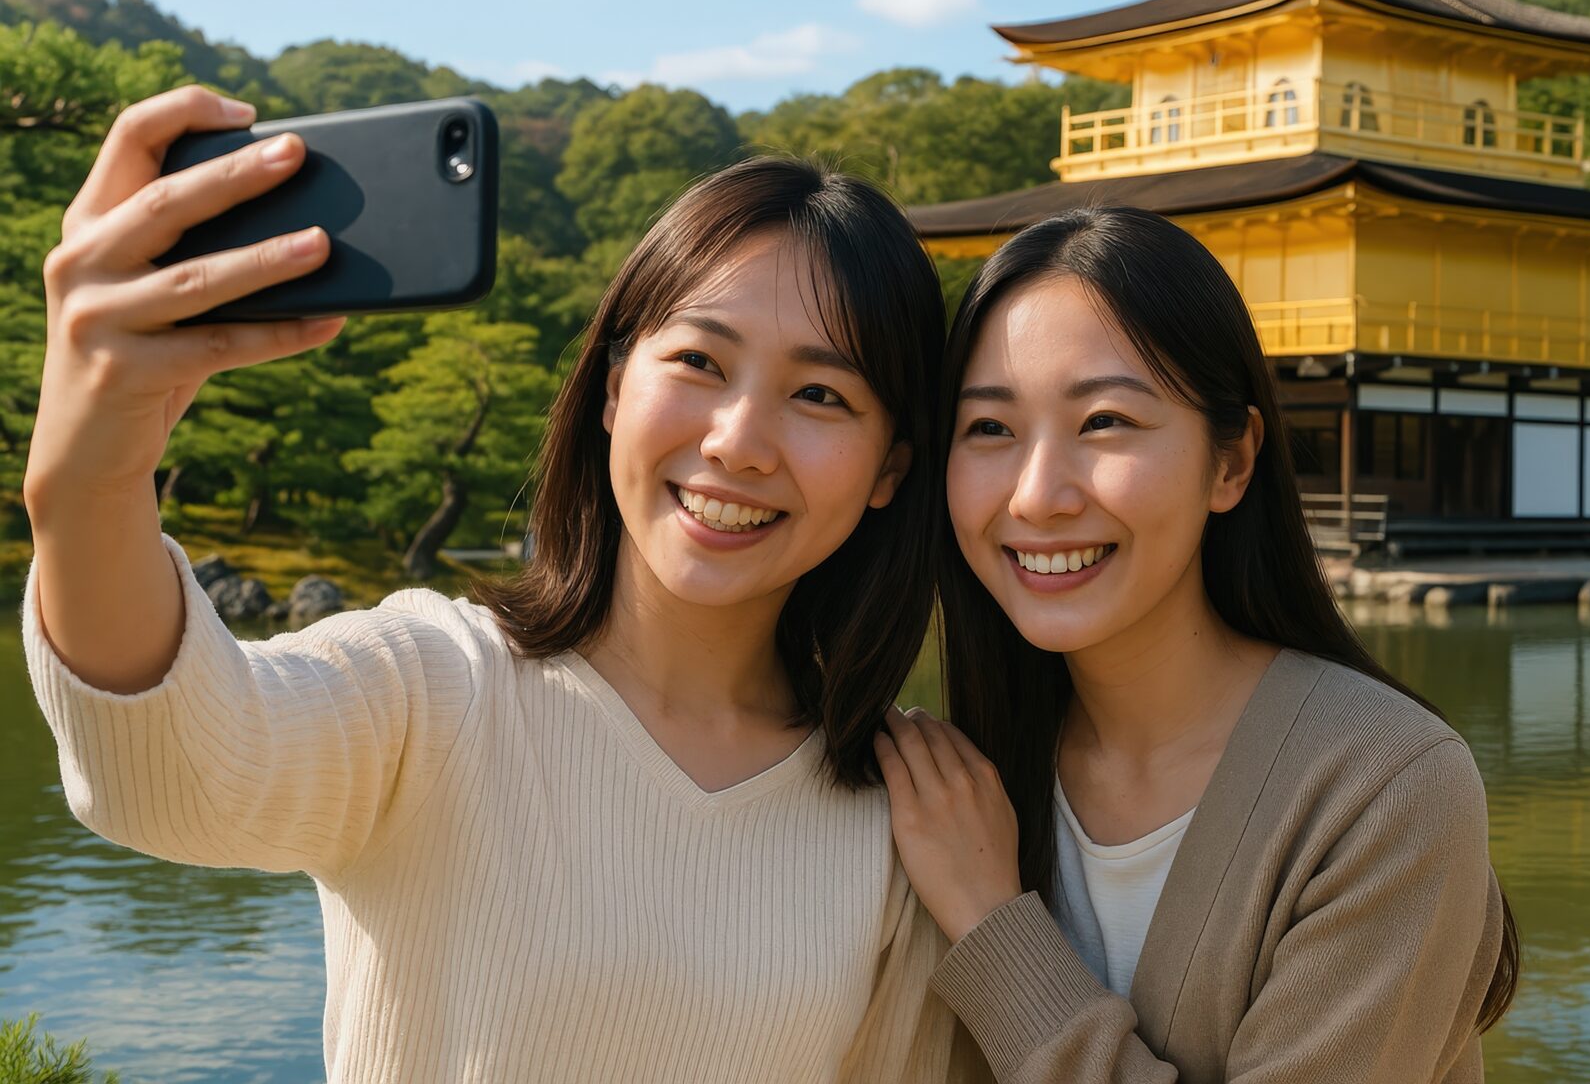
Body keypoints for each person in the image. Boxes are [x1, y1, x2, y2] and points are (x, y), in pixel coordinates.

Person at [22, 86, 956, 1083]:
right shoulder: (435, 685)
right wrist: (89, 480)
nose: (737, 440)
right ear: (612, 386)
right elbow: (168, 769)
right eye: (697, 359)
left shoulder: (899, 808)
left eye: (819, 393)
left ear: (890, 467)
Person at [875, 205, 1519, 1082]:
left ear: (1232, 463)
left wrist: (996, 929)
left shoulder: (1379, 784)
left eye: (1104, 421)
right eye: (990, 428)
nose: (1036, 495)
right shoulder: (956, 780)